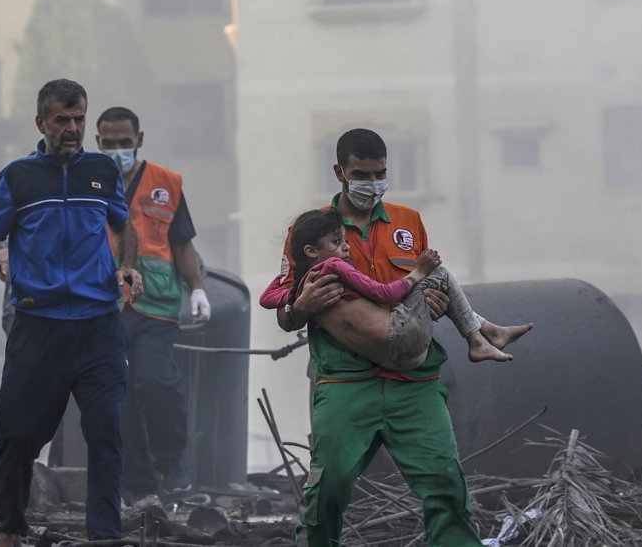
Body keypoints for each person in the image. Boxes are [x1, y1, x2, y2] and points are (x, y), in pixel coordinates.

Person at [271, 129, 529, 547]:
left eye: (380, 173)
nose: (373, 183)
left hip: (415, 383)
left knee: (447, 487)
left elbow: (425, 292)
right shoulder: (311, 229)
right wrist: (300, 308)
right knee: (327, 491)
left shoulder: (409, 222)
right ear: (339, 172)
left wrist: (436, 305)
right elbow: (284, 313)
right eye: (361, 174)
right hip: (345, 382)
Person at [0, 78, 144, 545]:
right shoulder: (18, 177)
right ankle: (9, 525)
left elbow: (123, 226)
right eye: (62, 119)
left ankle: (104, 535)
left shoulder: (102, 171)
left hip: (98, 327)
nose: (72, 128)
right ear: (40, 122)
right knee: (17, 436)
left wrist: (127, 266)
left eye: (79, 119)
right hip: (38, 325)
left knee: (106, 434)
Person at [95, 106, 211, 499]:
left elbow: (181, 241)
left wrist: (197, 288)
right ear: (97, 142)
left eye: (124, 142)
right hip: (105, 304)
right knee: (119, 393)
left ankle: (172, 463)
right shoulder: (86, 182)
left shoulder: (166, 183)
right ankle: (138, 482)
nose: (117, 150)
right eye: (109, 143)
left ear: (139, 140)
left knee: (156, 380)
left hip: (157, 303)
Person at [261, 208, 528, 369]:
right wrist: (419, 271)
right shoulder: (331, 262)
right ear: (340, 172)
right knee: (436, 273)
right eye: (337, 242)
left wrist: (295, 282)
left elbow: (267, 298)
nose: (346, 247)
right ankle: (480, 337)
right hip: (394, 343)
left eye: (380, 173)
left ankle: (486, 332)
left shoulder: (308, 280)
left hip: (400, 362)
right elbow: (384, 294)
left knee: (428, 285)